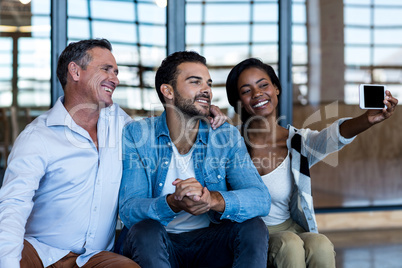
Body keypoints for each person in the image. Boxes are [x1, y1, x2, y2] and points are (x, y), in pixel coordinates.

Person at [225, 58, 398, 268]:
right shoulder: (229, 143)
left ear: (276, 89)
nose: (257, 94)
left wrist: (366, 119)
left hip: (289, 228)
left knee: (320, 245)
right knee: (289, 245)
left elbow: (333, 137)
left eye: (263, 85)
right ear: (238, 101)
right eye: (246, 91)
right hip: (250, 233)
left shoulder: (298, 142)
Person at [118, 51, 271, 268]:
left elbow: (260, 199)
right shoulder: (138, 134)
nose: (206, 90)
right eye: (195, 82)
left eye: (208, 83)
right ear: (167, 90)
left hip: (211, 241)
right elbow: (129, 208)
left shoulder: (224, 135)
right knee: (145, 230)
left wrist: (213, 200)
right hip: (160, 243)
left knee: (253, 226)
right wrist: (172, 203)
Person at [0, 39, 142, 268]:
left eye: (116, 72)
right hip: (38, 251)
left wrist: (205, 115)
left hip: (93, 257)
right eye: (106, 69)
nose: (115, 79)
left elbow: (163, 133)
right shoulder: (38, 136)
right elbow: (13, 204)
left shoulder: (121, 124)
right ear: (75, 71)